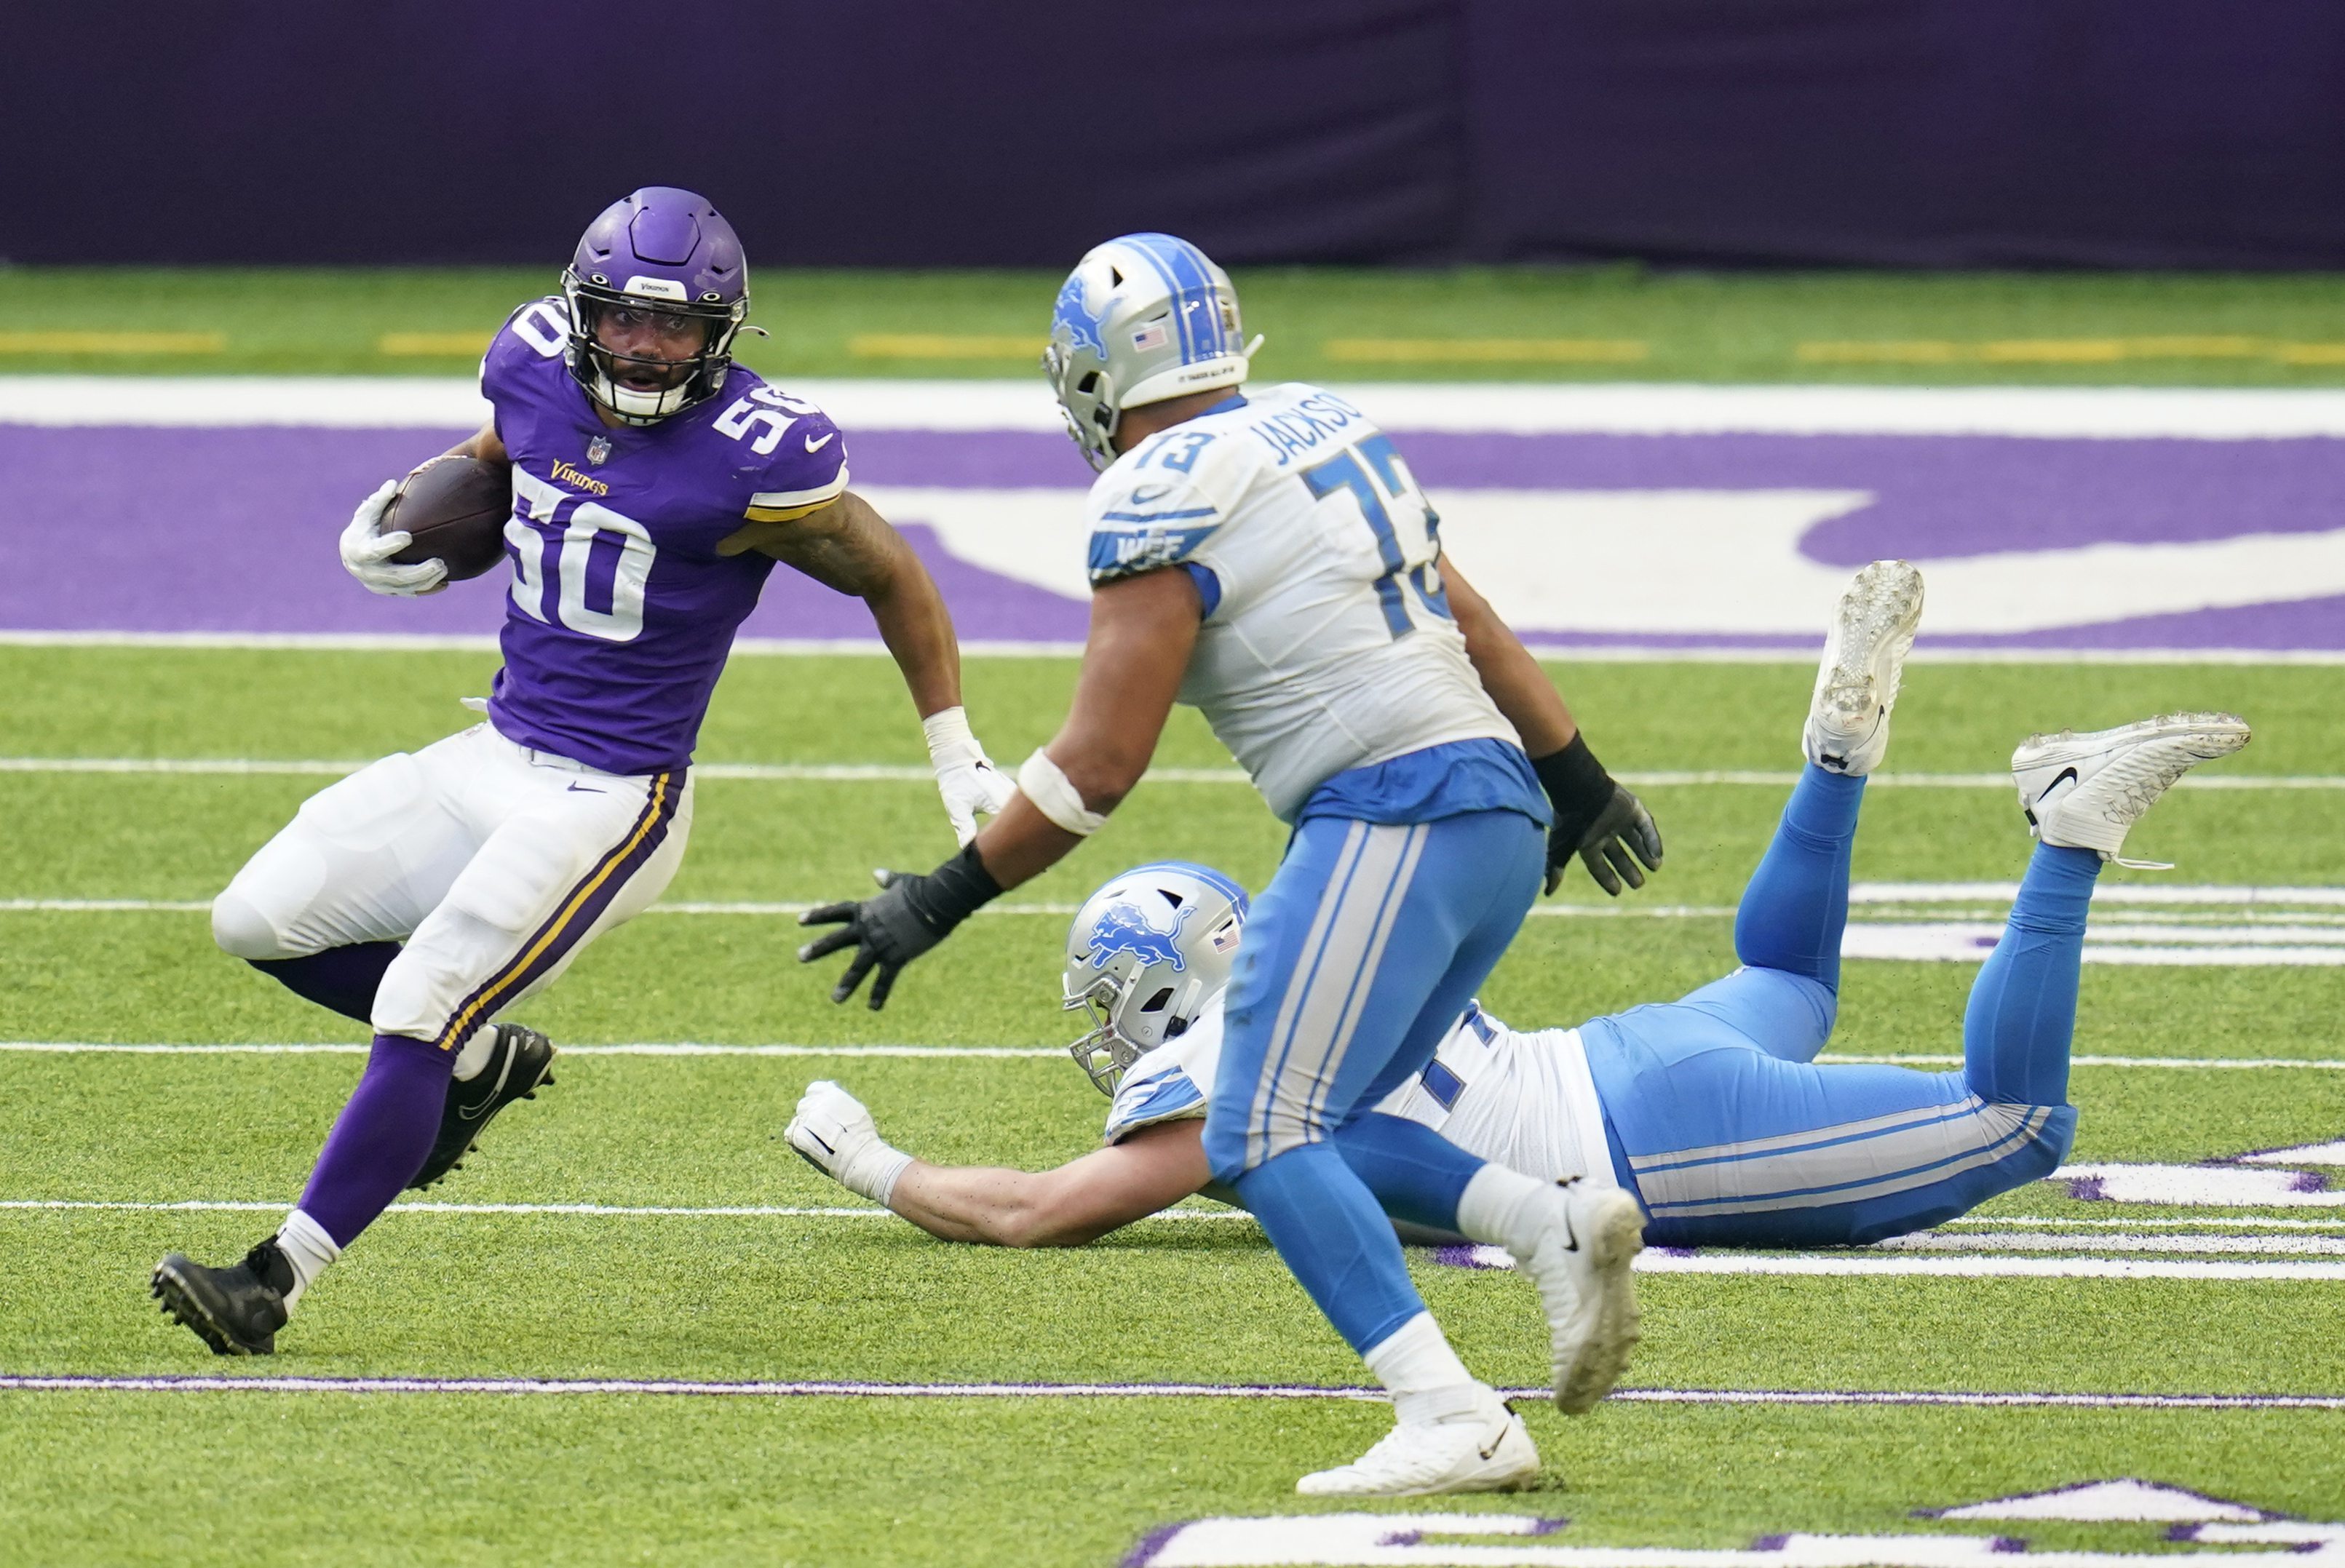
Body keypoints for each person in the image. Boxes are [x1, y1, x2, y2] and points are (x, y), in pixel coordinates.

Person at [789, 560, 2250, 1325]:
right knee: (1794, 984)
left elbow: (1043, 1208)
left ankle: (2066, 829)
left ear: (1177, 986)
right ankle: (1836, 757)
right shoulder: (1318, 930)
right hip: (1621, 1052)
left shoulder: (1226, 1067)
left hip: (1638, 1133)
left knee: (2019, 1120)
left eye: (1116, 997)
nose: (1107, 1028)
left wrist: (875, 1162)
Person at [795, 233, 1665, 1496]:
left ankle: (1449, 1412)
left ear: (1098, 371)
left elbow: (1098, 765)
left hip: (1390, 811)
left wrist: (940, 896)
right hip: (1497, 811)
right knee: (1334, 1111)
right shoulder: (1323, 421)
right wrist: (1576, 777)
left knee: (1256, 1128)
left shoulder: (1157, 490)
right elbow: (1461, 612)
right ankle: (1551, 1222)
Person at [151, 187, 1015, 1356]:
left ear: (724, 334)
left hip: (616, 797)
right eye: (624, 322)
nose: (648, 348)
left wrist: (951, 745)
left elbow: (889, 573)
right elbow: (503, 454)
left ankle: (272, 1281)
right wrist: (408, 507)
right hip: (493, 747)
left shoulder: (758, 456)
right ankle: (478, 1059)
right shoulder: (531, 358)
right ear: (583, 311)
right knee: (253, 918)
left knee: (419, 1000)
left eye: (678, 329)